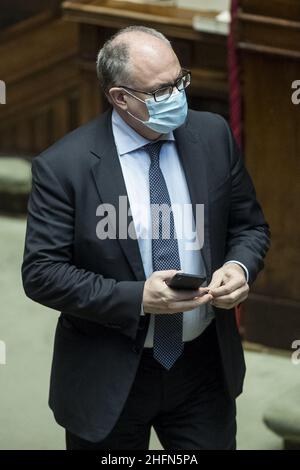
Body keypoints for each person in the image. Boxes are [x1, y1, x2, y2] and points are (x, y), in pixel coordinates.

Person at [21, 26, 270, 450]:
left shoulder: (212, 135)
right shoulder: (65, 167)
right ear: (120, 98)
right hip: (110, 371)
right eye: (161, 90)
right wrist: (138, 297)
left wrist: (237, 266)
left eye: (180, 81)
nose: (177, 96)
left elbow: (249, 226)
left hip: (203, 367)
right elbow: (42, 273)